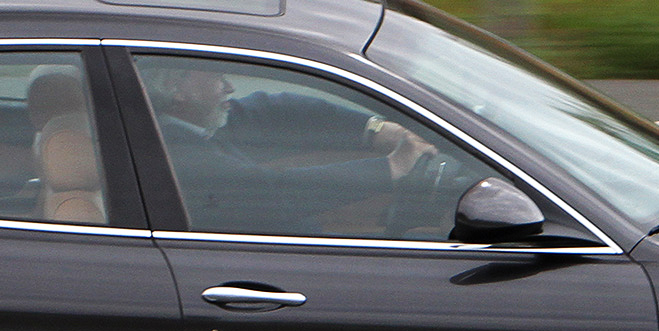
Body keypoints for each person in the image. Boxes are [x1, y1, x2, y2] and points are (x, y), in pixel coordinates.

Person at [142, 64, 440, 236]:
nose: (230, 87)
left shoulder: (194, 127)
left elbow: (278, 111)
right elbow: (272, 191)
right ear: (176, 89)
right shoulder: (175, 154)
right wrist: (393, 167)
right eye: (218, 78)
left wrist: (374, 130)